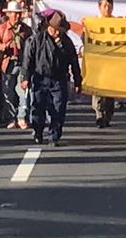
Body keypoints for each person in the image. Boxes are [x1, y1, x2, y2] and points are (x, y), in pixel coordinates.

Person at [20, 11, 81, 146]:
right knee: (38, 107)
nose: (59, 33)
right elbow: (28, 59)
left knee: (58, 108)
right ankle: (38, 132)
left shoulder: (66, 42)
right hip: (40, 78)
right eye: (57, 30)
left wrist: (78, 80)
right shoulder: (37, 39)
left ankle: (54, 136)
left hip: (59, 79)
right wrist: (25, 77)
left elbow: (73, 61)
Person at [0, 0, 32, 129]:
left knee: (23, 91)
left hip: (22, 63)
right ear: (9, 14)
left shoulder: (26, 29)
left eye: (18, 14)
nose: (17, 16)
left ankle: (21, 117)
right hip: (7, 63)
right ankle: (11, 117)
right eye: (14, 14)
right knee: (8, 92)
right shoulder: (2, 28)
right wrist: (3, 47)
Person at [91, 0, 117, 128]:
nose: (107, 8)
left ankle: (108, 115)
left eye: (109, 6)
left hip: (112, 62)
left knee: (110, 91)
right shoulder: (94, 23)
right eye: (105, 6)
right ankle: (99, 115)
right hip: (98, 61)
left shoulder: (118, 23)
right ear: (99, 8)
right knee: (98, 90)